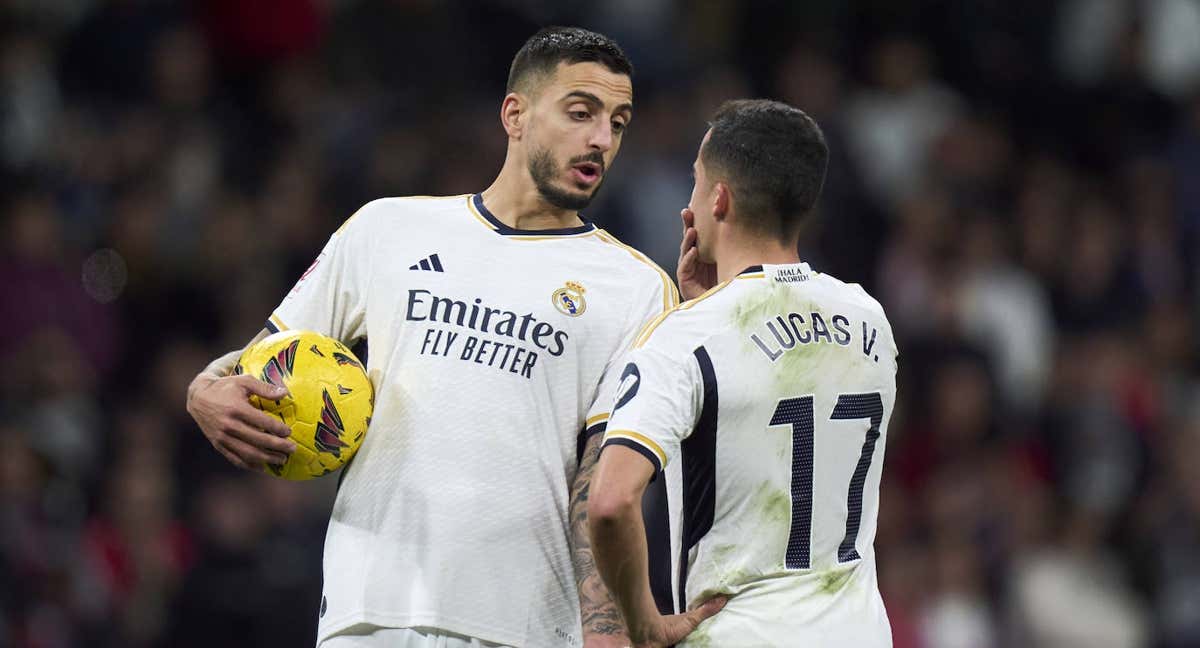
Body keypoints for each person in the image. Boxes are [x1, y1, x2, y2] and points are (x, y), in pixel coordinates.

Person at [185, 26, 700, 648]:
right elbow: (264, 357)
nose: (601, 138)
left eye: (618, 122)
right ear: (515, 114)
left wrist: (607, 633)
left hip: (521, 626)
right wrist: (204, 388)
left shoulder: (636, 288)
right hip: (367, 611)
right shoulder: (386, 229)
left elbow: (601, 482)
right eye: (580, 112)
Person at [589, 99, 899, 647]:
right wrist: (713, 304)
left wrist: (644, 624)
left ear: (719, 199)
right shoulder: (870, 320)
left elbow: (611, 503)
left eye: (695, 183)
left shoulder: (685, 338)